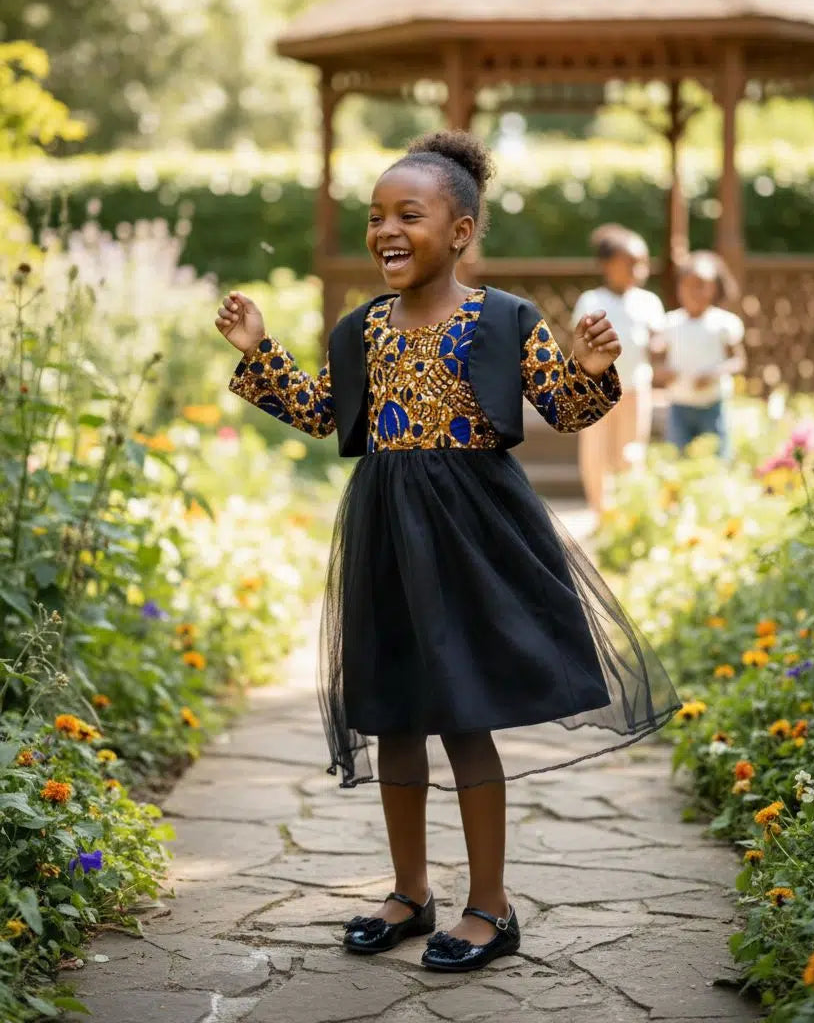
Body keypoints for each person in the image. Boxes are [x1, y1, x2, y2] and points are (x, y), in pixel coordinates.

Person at [215, 131, 680, 974]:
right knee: (392, 710)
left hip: (474, 535)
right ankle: (409, 890)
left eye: (409, 215)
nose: (387, 230)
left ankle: (490, 907)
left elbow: (565, 410)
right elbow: (328, 415)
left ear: (460, 230)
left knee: (463, 715)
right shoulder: (361, 331)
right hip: (386, 535)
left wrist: (591, 369)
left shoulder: (503, 319)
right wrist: (260, 353)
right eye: (376, 217)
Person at [571, 225, 665, 513]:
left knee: (631, 450)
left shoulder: (649, 303)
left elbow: (658, 345)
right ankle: (601, 512)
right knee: (595, 452)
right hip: (597, 390)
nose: (637, 269)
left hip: (635, 388)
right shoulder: (592, 301)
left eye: (642, 263)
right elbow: (580, 344)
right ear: (607, 265)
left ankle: (628, 513)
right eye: (630, 263)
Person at [656, 251, 745, 459]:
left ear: (713, 288)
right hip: (679, 404)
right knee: (679, 458)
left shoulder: (723, 323)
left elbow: (739, 360)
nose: (693, 292)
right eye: (687, 285)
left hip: (712, 404)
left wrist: (714, 373)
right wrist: (663, 373)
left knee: (717, 457)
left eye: (701, 286)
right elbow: (657, 361)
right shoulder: (671, 323)